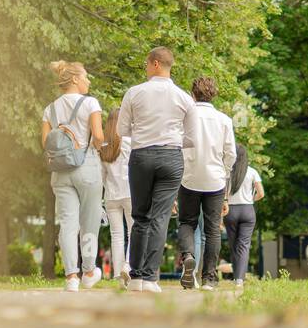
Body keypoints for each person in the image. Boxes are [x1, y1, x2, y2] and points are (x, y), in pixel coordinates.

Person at [117, 46, 196, 293]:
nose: (145, 68)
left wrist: (145, 133)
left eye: (145, 64)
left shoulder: (134, 92)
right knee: (160, 218)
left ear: (154, 64)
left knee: (140, 216)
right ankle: (151, 278)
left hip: (141, 156)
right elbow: (192, 137)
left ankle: (137, 278)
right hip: (171, 157)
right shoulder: (184, 98)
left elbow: (121, 130)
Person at [41, 60, 105, 292]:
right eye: (86, 76)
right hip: (86, 166)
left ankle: (71, 277)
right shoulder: (91, 103)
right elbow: (97, 135)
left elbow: (45, 143)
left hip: (60, 172)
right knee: (89, 222)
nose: (88, 80)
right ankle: (89, 271)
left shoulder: (50, 109)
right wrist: (99, 145)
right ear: (75, 79)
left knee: (67, 223)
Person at [177, 76, 236, 290]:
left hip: (188, 178)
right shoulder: (224, 120)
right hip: (215, 181)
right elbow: (231, 155)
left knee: (186, 222)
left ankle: (188, 255)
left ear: (193, 93)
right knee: (212, 230)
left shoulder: (185, 118)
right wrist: (223, 174)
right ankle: (209, 279)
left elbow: (178, 148)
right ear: (214, 94)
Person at [99, 109, 133, 285]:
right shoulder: (129, 142)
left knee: (117, 235)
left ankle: (120, 279)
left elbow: (102, 176)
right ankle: (128, 266)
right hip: (129, 192)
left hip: (111, 195)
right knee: (134, 232)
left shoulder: (103, 146)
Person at [225, 164, 264, 289]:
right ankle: (240, 280)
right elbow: (261, 193)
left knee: (233, 245)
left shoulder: (228, 171)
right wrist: (251, 199)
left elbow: (222, 192)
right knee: (243, 245)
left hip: (231, 210)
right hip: (247, 209)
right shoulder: (252, 171)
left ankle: (236, 277)